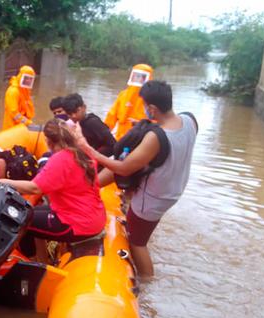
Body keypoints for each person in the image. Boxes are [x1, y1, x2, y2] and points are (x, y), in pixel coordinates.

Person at [77, 80, 197, 277]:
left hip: (153, 197)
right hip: (174, 188)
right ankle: (90, 188)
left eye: (144, 106)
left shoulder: (157, 137)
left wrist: (92, 152)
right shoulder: (189, 120)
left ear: (152, 108)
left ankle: (148, 283)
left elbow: (124, 169)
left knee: (137, 242)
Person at [0, 119, 106, 260]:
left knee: (20, 221)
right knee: (30, 212)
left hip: (76, 222)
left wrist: (4, 182)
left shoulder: (61, 159)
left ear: (48, 141)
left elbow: (35, 188)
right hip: (91, 216)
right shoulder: (81, 153)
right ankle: (42, 261)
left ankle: (32, 264)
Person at [104, 64, 154, 140]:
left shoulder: (152, 99)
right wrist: (102, 135)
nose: (138, 79)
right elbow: (111, 118)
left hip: (140, 141)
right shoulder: (123, 95)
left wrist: (142, 125)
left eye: (142, 77)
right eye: (136, 76)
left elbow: (158, 124)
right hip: (120, 139)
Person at [62, 93, 116, 158]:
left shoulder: (93, 123)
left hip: (97, 159)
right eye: (70, 114)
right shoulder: (78, 124)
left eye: (76, 111)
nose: (74, 116)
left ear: (84, 107)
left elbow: (112, 145)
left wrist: (92, 156)